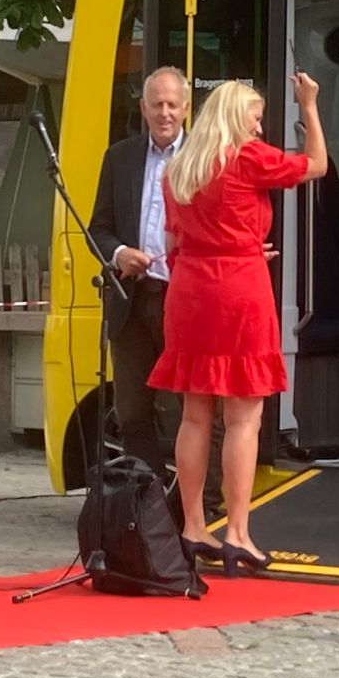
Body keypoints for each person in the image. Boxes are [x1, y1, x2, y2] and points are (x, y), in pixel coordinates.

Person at [152, 75, 326, 574]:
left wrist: (229, 242)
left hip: (188, 290)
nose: (258, 126)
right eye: (255, 117)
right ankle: (238, 533)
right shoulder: (247, 157)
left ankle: (190, 526)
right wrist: (309, 107)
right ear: (235, 118)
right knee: (243, 417)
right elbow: (316, 165)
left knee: (194, 414)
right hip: (238, 288)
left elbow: (172, 242)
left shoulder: (180, 166)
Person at [86, 67, 222, 524]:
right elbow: (97, 228)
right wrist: (120, 253)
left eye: (172, 104)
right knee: (132, 413)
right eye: (156, 104)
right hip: (131, 299)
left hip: (185, 299)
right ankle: (146, 511)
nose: (164, 113)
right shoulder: (119, 158)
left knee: (198, 409)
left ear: (187, 109)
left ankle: (201, 509)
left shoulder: (208, 161)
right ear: (142, 108)